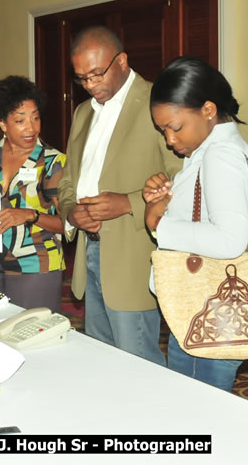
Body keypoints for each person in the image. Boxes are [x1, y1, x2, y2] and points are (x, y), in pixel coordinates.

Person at [56, 26, 181, 365]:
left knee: (137, 362)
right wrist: (71, 213)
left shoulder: (158, 103)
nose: (91, 85)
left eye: (97, 74)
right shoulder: (83, 112)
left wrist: (129, 202)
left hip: (134, 253)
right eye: (82, 78)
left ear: (122, 61)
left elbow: (184, 178)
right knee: (102, 361)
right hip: (89, 251)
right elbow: (69, 182)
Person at [143, 56, 248, 391]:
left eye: (175, 128)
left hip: (207, 311)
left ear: (208, 109)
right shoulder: (208, 149)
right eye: (163, 130)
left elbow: (231, 238)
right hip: (202, 307)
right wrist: (163, 197)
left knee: (196, 412)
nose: (170, 141)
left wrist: (159, 224)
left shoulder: (221, 154)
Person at [0, 76, 66, 311]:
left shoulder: (52, 163)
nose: (32, 128)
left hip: (35, 263)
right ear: (3, 124)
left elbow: (67, 224)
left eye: (36, 118)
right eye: (20, 120)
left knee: (30, 336)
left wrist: (29, 215)